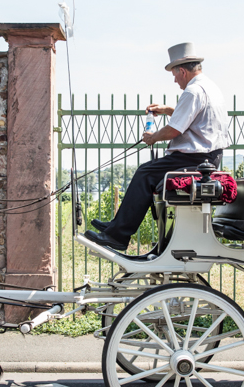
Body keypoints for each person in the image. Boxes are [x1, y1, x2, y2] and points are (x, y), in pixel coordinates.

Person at [85, 42, 230, 252]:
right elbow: (194, 116)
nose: (174, 79)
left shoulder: (193, 91)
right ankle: (116, 227)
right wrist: (168, 110)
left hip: (194, 159)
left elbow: (174, 130)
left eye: (174, 74)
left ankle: (117, 236)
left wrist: (153, 137)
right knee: (147, 172)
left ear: (182, 70)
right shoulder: (208, 86)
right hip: (208, 157)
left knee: (145, 173)